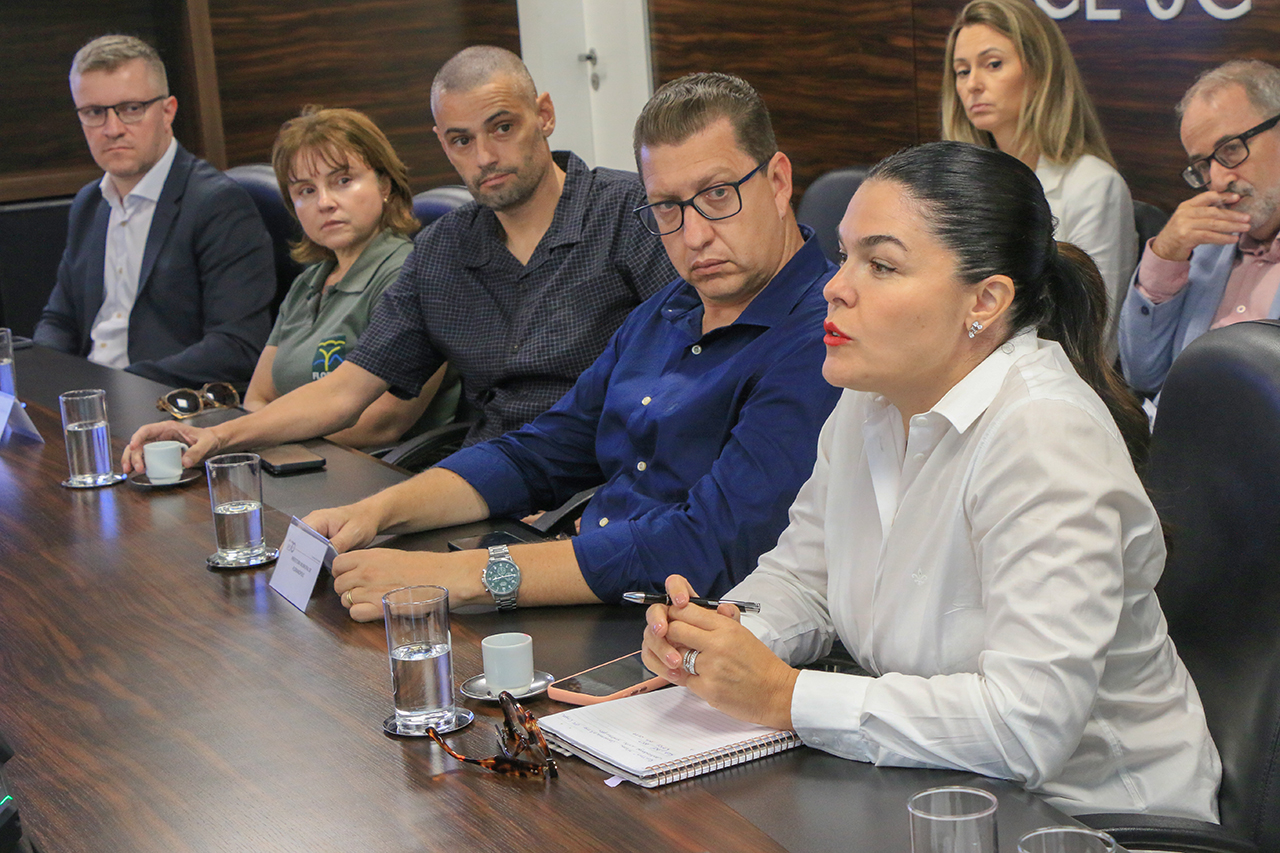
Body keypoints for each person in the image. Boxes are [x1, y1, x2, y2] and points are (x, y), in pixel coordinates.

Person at [641, 141, 1222, 820]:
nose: (836, 284)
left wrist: (784, 694)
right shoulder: (870, 396)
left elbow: (1025, 726)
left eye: (881, 264)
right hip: (936, 787)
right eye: (846, 253)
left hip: (1089, 817)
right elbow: (805, 577)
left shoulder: (1045, 437)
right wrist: (725, 635)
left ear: (985, 300)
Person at [303, 72, 842, 619]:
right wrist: (376, 514)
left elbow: (707, 545)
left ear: (777, 182)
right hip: (588, 590)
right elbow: (542, 450)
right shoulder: (668, 307)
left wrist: (459, 578)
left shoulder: (825, 335)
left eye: (718, 195)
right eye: (666, 208)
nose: (694, 234)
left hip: (694, 626)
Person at [121, 45, 674, 473]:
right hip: (488, 477)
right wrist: (214, 434)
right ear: (441, 143)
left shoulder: (632, 213)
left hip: (606, 480)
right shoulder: (442, 251)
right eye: (460, 141)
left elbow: (694, 377)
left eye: (502, 127)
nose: (484, 157)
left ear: (545, 115)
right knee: (335, 554)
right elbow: (347, 390)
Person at [34, 34, 275, 387]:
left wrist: (118, 386)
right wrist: (48, 378)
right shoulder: (89, 203)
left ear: (167, 111)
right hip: (91, 401)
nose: (112, 129)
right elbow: (59, 321)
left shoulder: (218, 204)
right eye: (94, 113)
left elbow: (236, 347)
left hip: (168, 406)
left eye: (131, 109)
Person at [943, 0, 1136, 355]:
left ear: (1041, 71)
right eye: (962, 71)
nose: (973, 85)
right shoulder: (953, 187)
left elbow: (1092, 337)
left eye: (993, 64)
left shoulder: (1093, 186)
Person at [240, 106, 437, 448]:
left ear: (385, 184)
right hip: (293, 464)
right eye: (306, 191)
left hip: (374, 474)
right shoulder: (308, 283)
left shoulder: (411, 276)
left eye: (342, 181)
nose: (325, 202)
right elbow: (256, 397)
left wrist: (276, 437)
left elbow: (380, 424)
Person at [1119, 60, 1280, 396]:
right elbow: (1142, 374)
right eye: (1204, 165)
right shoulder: (1206, 247)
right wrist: (1165, 257)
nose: (1219, 180)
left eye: (1232, 149)